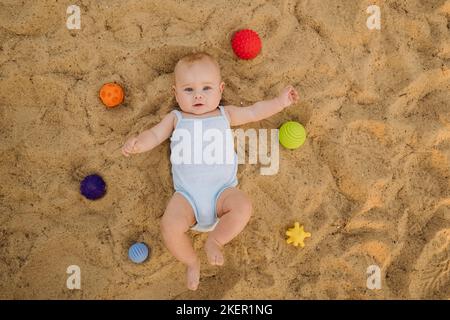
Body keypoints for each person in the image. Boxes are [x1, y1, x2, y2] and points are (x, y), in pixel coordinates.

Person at [122, 52, 299, 290]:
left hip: (222, 192)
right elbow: (154, 135)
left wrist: (280, 102)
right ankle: (191, 261)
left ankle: (216, 240)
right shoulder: (176, 118)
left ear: (220, 89)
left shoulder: (225, 114)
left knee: (243, 206)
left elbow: (255, 112)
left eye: (206, 88)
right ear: (175, 93)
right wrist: (138, 144)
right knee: (169, 226)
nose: (198, 95)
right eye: (188, 90)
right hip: (187, 197)